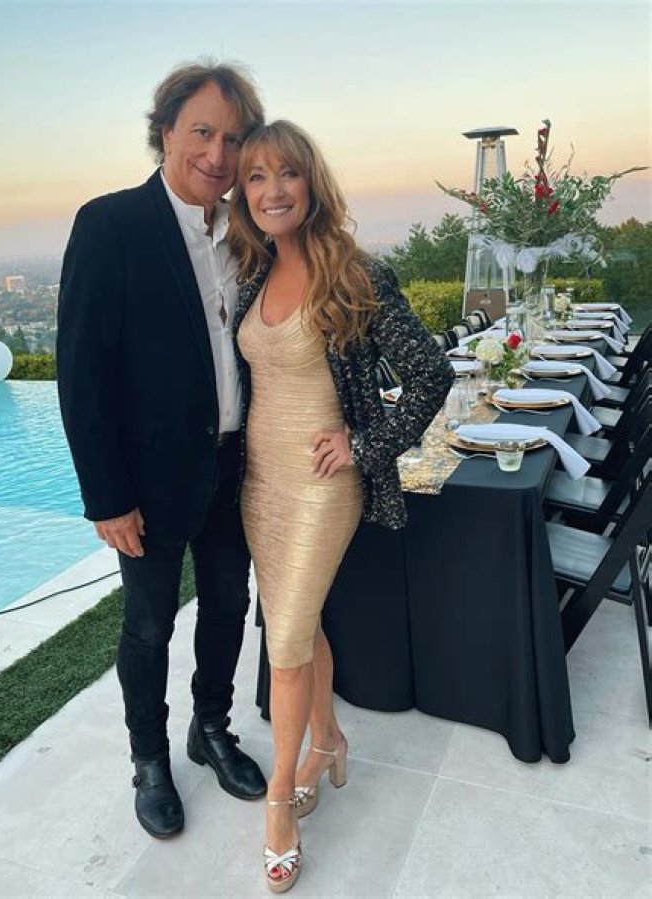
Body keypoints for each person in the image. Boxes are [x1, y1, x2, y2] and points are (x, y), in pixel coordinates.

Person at [228, 120, 453, 891]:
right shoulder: (254, 272)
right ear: (244, 194)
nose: (272, 191)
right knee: (302, 623)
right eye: (256, 177)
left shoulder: (353, 273)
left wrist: (364, 443)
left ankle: (278, 802)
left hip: (323, 487)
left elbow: (431, 373)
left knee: (286, 639)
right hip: (260, 486)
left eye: (286, 173)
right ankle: (326, 742)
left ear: (311, 183)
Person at [56, 62, 268, 840]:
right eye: (202, 132)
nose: (217, 153)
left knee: (229, 605)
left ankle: (210, 728)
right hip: (148, 480)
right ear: (167, 131)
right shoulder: (110, 225)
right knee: (149, 626)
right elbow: (82, 374)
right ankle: (149, 758)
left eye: (234, 139)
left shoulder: (247, 231)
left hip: (235, 466)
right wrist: (107, 497)